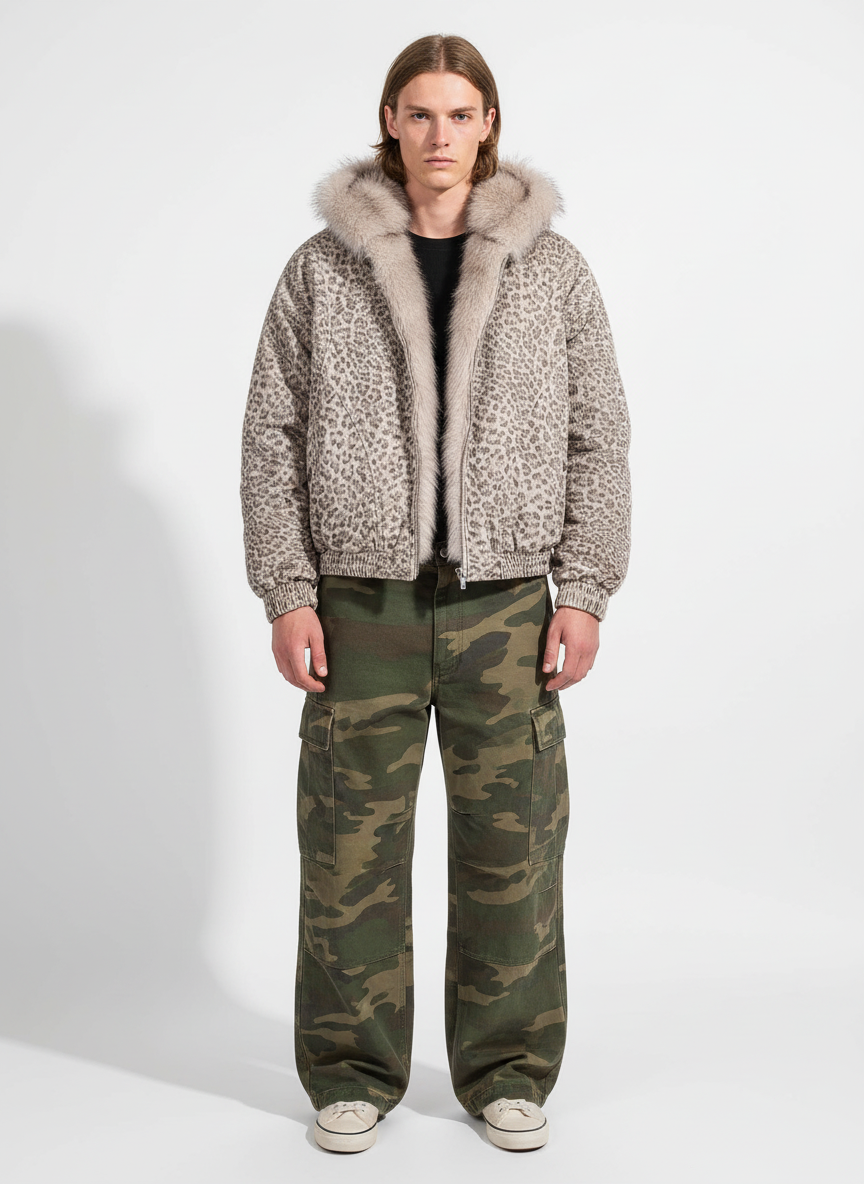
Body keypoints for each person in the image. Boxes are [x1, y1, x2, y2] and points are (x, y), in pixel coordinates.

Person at [240, 33, 631, 1154]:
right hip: (359, 606)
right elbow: (272, 433)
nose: (440, 135)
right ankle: (352, 1071)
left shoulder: (553, 268)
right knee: (348, 850)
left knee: (514, 851)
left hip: (506, 606)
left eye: (461, 114)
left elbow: (599, 435)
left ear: (488, 124)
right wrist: (287, 589)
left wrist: (585, 587)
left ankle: (508, 1069)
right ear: (391, 122)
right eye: (420, 113)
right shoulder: (322, 269)